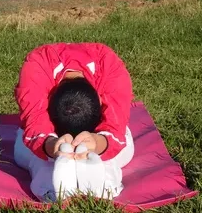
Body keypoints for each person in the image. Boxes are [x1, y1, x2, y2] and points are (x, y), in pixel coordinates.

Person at [14, 42, 135, 202]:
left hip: (87, 134)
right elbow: (34, 123)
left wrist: (96, 141)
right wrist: (53, 145)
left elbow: (33, 124)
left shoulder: (108, 64)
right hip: (56, 135)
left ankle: (50, 184)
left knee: (34, 156)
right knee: (119, 149)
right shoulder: (38, 64)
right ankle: (105, 180)